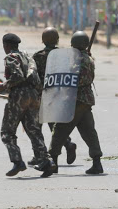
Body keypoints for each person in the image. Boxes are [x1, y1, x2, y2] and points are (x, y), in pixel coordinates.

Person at [49, 31, 104, 175]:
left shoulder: (79, 61)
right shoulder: (87, 59)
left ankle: (53, 162)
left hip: (75, 100)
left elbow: (76, 80)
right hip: (85, 102)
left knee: (59, 130)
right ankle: (97, 162)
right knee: (89, 132)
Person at [0, 33, 53, 177]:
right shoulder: (27, 57)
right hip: (33, 96)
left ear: (7, 45)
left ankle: (17, 161)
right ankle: (46, 161)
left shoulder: (11, 57)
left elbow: (17, 76)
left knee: (7, 132)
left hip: (19, 97)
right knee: (34, 130)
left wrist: (4, 85)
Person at [29, 27, 77, 167]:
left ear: (43, 40)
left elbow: (33, 75)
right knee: (53, 123)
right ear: (57, 40)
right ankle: (67, 144)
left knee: (36, 126)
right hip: (59, 94)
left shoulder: (38, 56)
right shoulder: (64, 55)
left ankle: (39, 155)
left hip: (42, 95)